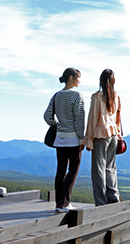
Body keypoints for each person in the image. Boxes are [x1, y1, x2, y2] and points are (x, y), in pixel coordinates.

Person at [44, 67, 85, 212]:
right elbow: (79, 119)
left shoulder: (56, 96)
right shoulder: (76, 96)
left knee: (61, 169)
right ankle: (64, 203)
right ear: (71, 78)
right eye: (78, 77)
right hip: (73, 139)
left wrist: (58, 125)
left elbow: (47, 116)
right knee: (73, 169)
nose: (80, 80)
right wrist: (82, 138)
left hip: (60, 139)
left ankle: (60, 203)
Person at [84, 68, 122, 206]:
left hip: (101, 136)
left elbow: (92, 120)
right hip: (113, 136)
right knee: (111, 168)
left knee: (98, 169)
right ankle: (113, 196)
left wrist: (88, 140)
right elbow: (118, 117)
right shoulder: (116, 96)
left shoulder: (97, 97)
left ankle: (101, 202)